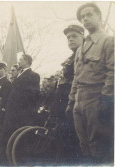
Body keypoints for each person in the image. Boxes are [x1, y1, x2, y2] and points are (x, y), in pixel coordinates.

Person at [66, 3, 114, 164]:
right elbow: (76, 77)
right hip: (79, 100)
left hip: (96, 99)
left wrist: (106, 99)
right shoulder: (82, 47)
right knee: (84, 146)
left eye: (89, 15)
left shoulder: (108, 41)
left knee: (98, 146)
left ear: (99, 17)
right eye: (82, 17)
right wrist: (71, 100)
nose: (85, 19)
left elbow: (112, 72)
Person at [0, 54, 40, 166]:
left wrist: (23, 111)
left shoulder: (33, 75)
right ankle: (0, 160)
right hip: (12, 112)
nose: (18, 61)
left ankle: (8, 161)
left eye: (20, 59)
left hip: (20, 114)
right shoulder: (20, 75)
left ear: (26, 61)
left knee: (15, 139)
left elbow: (33, 96)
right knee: (6, 136)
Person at [51, 25, 85, 161]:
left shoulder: (84, 55)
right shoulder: (71, 57)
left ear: (83, 37)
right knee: (63, 141)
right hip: (64, 105)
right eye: (68, 37)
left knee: (73, 144)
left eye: (74, 36)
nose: (70, 39)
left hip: (76, 105)